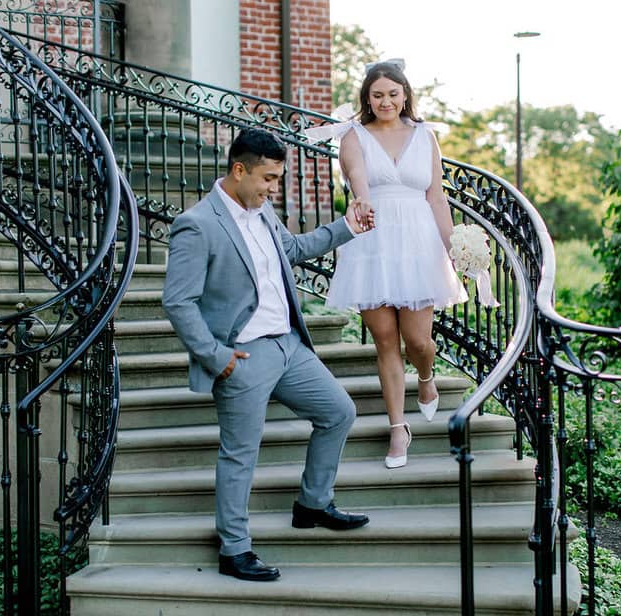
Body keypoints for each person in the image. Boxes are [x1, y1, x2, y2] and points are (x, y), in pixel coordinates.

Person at [162, 127, 374, 583]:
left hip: (289, 345)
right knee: (240, 453)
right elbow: (178, 302)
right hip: (243, 356)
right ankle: (234, 549)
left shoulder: (262, 213)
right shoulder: (197, 225)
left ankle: (313, 504)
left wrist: (347, 228)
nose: (273, 188)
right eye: (269, 179)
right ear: (239, 170)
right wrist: (216, 356)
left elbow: (293, 250)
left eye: (277, 180)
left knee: (338, 412)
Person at [324, 60, 467, 469]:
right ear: (367, 99)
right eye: (377, 95)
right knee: (385, 338)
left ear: (405, 94)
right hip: (374, 240)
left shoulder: (426, 136)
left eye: (392, 93)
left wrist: (454, 245)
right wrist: (362, 201)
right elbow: (357, 178)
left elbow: (436, 197)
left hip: (419, 242)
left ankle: (425, 379)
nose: (385, 101)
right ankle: (398, 430)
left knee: (419, 341)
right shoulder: (354, 135)